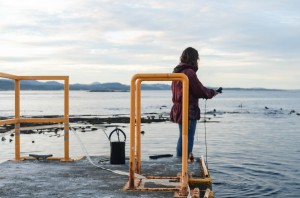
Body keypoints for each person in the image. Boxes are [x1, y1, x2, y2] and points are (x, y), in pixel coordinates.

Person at [170, 47, 218, 159]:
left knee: (182, 136)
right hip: (188, 109)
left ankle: (180, 160)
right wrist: (212, 93)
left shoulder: (177, 71)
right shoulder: (189, 72)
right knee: (188, 136)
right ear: (194, 58)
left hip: (178, 108)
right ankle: (184, 162)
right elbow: (199, 90)